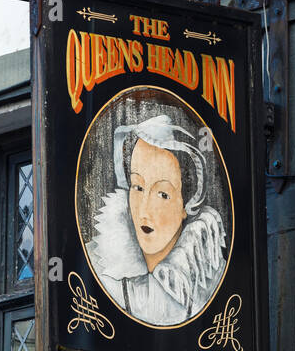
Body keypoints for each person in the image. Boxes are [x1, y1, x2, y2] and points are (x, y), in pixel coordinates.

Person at [86, 113, 226, 325]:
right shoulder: (94, 266)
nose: (144, 209)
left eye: (163, 194)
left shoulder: (211, 278)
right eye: (138, 187)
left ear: (187, 203)